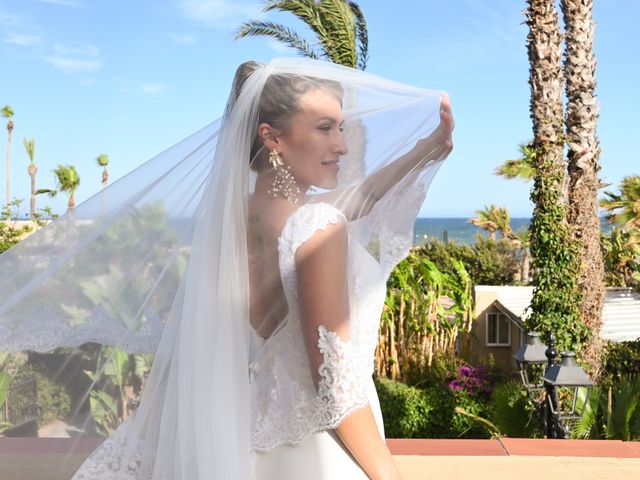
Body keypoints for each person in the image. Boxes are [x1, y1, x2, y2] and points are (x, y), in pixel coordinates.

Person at [0, 58, 452, 479]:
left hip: (246, 433)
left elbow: (362, 197)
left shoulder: (233, 218)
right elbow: (334, 383)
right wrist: (389, 474)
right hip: (316, 448)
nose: (341, 144)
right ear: (272, 137)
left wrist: (425, 149)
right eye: (324, 128)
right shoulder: (318, 227)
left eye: (341, 127)